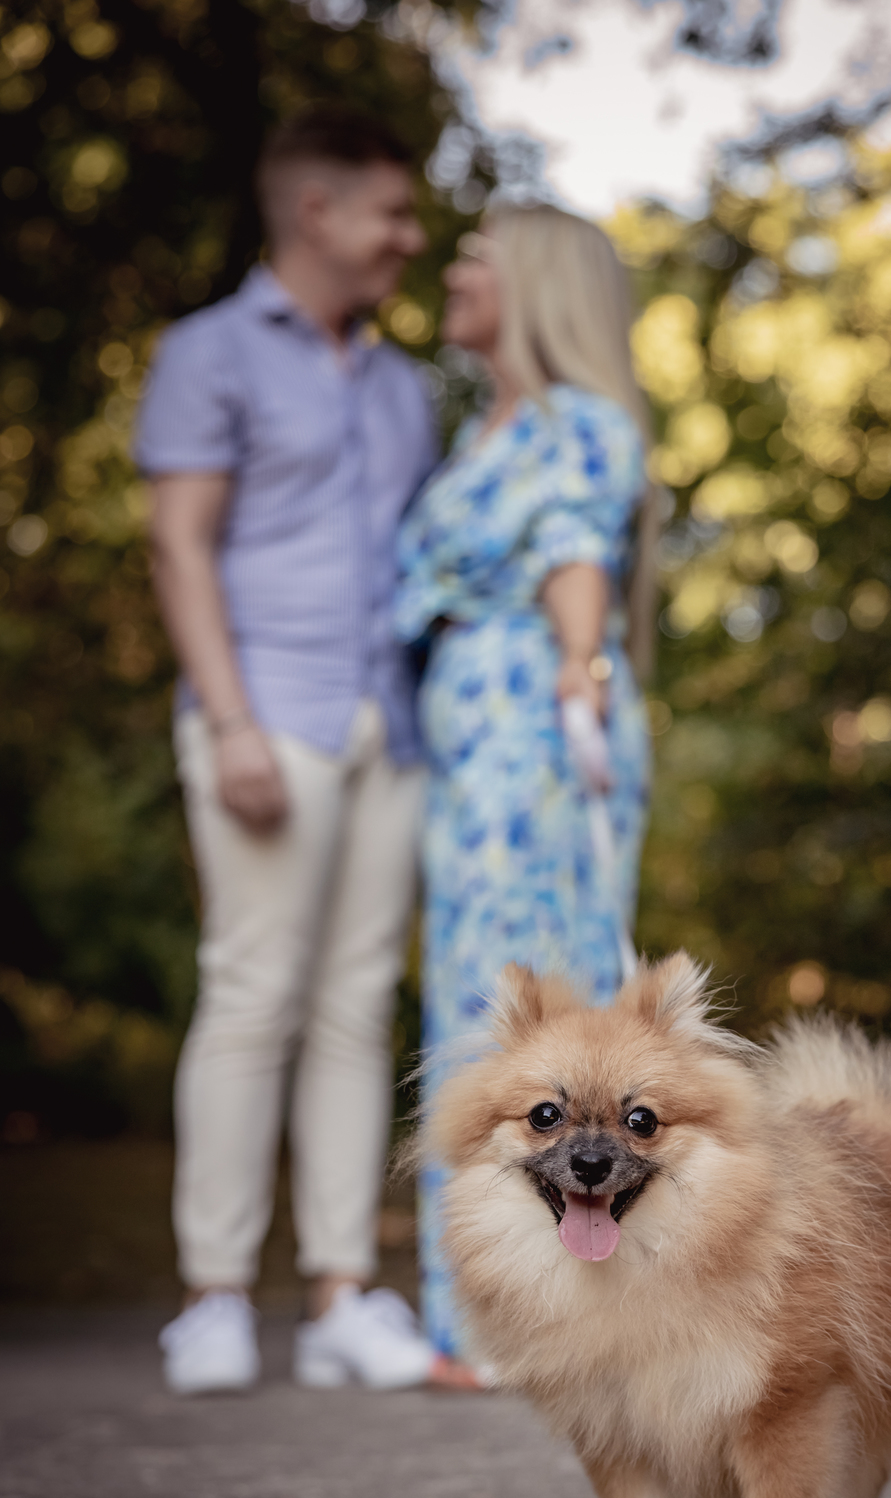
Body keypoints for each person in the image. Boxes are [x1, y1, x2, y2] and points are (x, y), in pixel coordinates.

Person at [137, 108, 454, 1396]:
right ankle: (213, 1297)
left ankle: (338, 1293)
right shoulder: (207, 353)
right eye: (391, 212)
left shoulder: (403, 382)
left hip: (390, 721)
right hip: (267, 704)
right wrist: (228, 722)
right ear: (317, 212)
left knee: (355, 1001)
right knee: (254, 988)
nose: (410, 237)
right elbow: (179, 544)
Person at [393, 204, 656, 1373]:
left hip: (535, 745)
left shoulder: (577, 424)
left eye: (476, 259)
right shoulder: (484, 432)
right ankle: (487, 1312)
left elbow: (572, 550)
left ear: (537, 287)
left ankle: (553, 1320)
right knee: (484, 1012)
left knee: (542, 1017)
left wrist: (578, 672)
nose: (453, 271)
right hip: (475, 755)